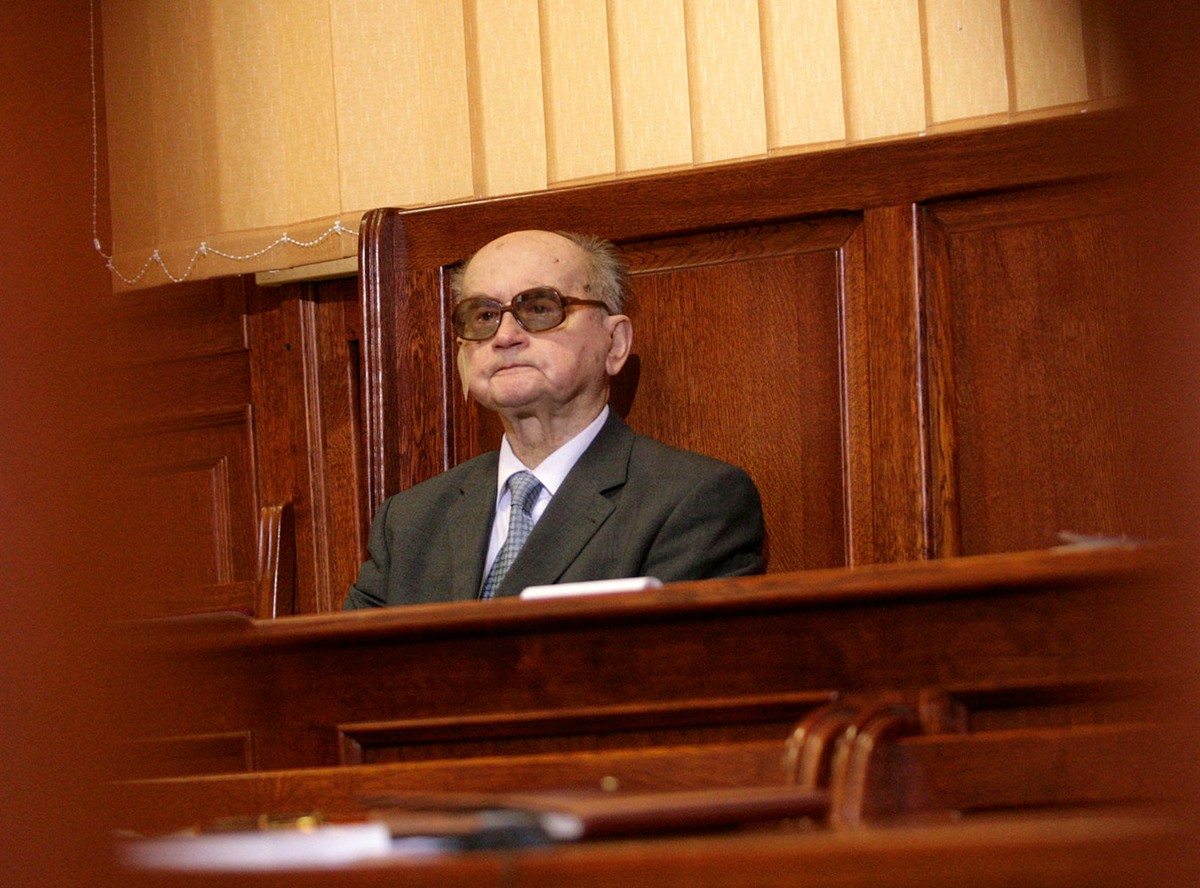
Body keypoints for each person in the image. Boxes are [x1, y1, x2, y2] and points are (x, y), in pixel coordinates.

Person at [344, 229, 764, 607]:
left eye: (540, 308)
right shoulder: (409, 520)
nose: (505, 336)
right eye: (484, 316)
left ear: (614, 343)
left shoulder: (692, 500)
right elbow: (352, 666)